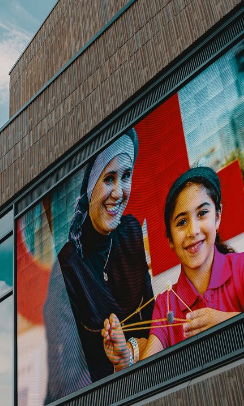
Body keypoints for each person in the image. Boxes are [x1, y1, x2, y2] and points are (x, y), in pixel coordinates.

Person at [102, 166, 244, 369]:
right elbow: (148, 372)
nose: (193, 230)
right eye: (182, 222)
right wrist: (125, 360)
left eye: (202, 213)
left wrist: (226, 323)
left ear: (217, 217)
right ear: (170, 241)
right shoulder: (165, 305)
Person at [42, 129, 153, 401]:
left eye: (126, 176)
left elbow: (151, 316)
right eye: (109, 179)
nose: (118, 192)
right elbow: (67, 380)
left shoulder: (131, 231)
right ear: (90, 185)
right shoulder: (67, 270)